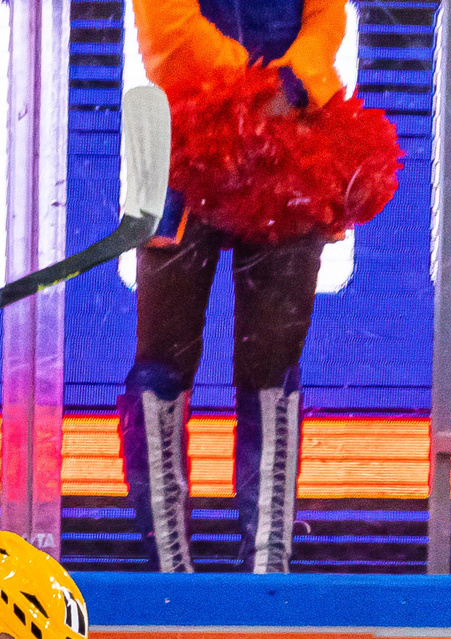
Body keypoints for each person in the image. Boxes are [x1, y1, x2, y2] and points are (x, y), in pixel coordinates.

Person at [119, 0, 347, 574]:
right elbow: (165, 27)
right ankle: (170, 570)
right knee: (162, 361)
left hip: (288, 141)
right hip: (184, 136)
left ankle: (267, 568)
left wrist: (292, 87)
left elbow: (327, 15)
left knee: (273, 362)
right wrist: (257, 87)